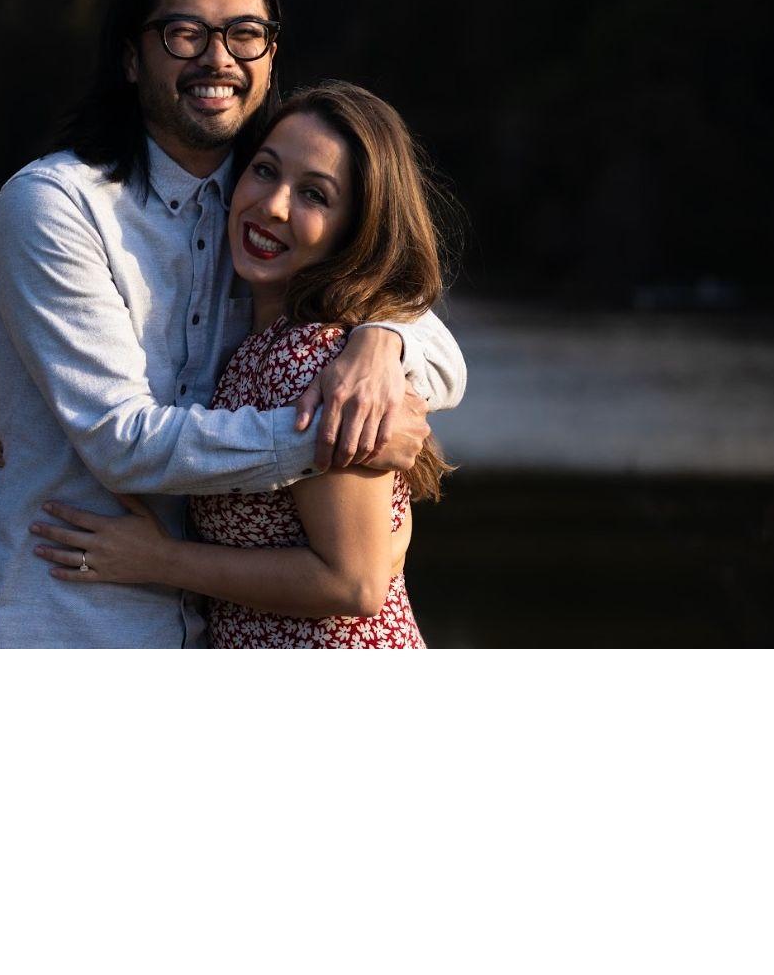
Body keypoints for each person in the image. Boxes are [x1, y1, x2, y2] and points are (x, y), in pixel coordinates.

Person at [0, 0, 465, 648]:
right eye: (185, 32)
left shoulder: (262, 217)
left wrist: (382, 344)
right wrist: (336, 436)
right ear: (132, 56)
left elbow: (427, 336)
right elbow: (121, 441)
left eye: (244, 33)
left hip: (204, 629)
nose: (218, 58)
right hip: (55, 621)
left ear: (270, 56)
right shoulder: (57, 206)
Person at [27, 81, 456, 647]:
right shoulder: (256, 342)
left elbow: (354, 584)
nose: (274, 204)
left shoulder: (313, 358)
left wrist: (160, 560)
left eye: (315, 195)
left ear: (356, 229)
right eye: (265, 171)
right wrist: (31, 434)